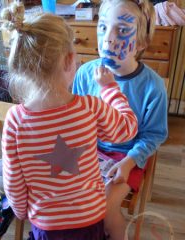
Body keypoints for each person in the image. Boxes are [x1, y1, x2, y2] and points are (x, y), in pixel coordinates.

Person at [0, 2, 138, 240]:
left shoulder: (14, 121)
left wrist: (22, 212)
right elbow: (128, 129)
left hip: (46, 224)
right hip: (90, 218)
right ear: (69, 60)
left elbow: (13, 181)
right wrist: (110, 88)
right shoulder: (89, 107)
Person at [72, 0, 168, 239]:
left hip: (127, 156)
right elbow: (77, 116)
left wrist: (129, 162)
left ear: (142, 42)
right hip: (89, 150)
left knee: (104, 208)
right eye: (103, 27)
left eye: (122, 30)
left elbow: (154, 135)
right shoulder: (85, 73)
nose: (108, 39)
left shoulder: (152, 86)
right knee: (68, 199)